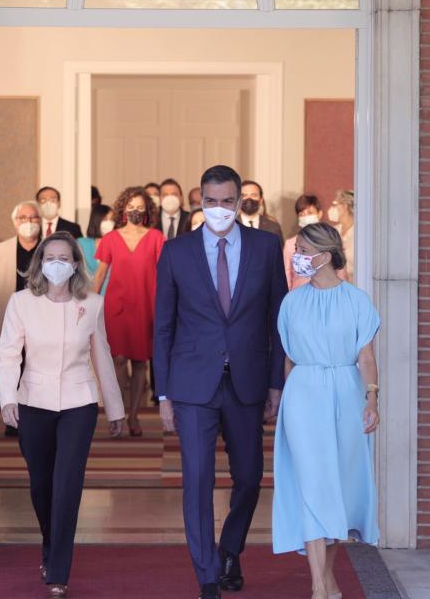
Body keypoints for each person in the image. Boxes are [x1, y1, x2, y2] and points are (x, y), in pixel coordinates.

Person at [154, 165, 288, 599]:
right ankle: (208, 574)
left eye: (227, 201)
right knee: (197, 480)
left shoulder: (266, 247)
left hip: (247, 381)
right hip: (192, 384)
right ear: (199, 201)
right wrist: (163, 393)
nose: (218, 209)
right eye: (210, 201)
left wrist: (275, 383)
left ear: (240, 199)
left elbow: (277, 320)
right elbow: (163, 327)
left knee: (249, 477)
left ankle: (230, 547)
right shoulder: (176, 252)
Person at [0, 232, 126, 599]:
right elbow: (9, 354)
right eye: (49, 257)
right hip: (33, 401)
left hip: (78, 402)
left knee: (68, 484)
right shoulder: (21, 302)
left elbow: (102, 355)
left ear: (75, 264)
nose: (56, 263)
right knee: (41, 485)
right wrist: (8, 398)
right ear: (40, 263)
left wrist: (114, 408)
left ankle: (58, 570)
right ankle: (49, 542)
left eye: (64, 258)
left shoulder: (92, 303)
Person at [272, 222, 380, 599]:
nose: (297, 256)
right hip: (303, 396)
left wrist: (372, 399)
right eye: (297, 250)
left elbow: (366, 357)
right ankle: (318, 587)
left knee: (337, 488)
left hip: (347, 394)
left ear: (326, 255)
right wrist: (286, 402)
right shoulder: (291, 302)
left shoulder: (358, 301)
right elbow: (288, 359)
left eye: (304, 250)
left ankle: (328, 582)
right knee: (311, 484)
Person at [93, 187, 164, 437]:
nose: (135, 211)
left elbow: (165, 274)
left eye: (140, 208)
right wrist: (89, 305)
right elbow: (100, 274)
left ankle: (134, 415)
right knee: (119, 359)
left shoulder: (156, 237)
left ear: (147, 210)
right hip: (117, 306)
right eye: (131, 207)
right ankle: (118, 413)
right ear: (123, 209)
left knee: (141, 362)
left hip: (147, 306)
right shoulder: (111, 238)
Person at [0, 200, 43, 435]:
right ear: (14, 222)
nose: (28, 222)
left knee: (35, 369)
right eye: (23, 218)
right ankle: (11, 417)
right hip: (9, 318)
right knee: (10, 366)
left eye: (33, 218)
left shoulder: (48, 248)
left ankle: (34, 417)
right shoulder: (0, 250)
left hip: (42, 320)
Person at [283, 194, 323, 289]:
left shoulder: (331, 240)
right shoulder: (290, 244)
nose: (306, 217)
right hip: (299, 294)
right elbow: (286, 275)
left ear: (320, 213)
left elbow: (339, 272)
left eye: (310, 213)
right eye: (302, 214)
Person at [327, 189, 356, 271]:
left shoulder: (359, 233)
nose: (332, 208)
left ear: (344, 206)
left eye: (335, 204)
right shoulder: (333, 231)